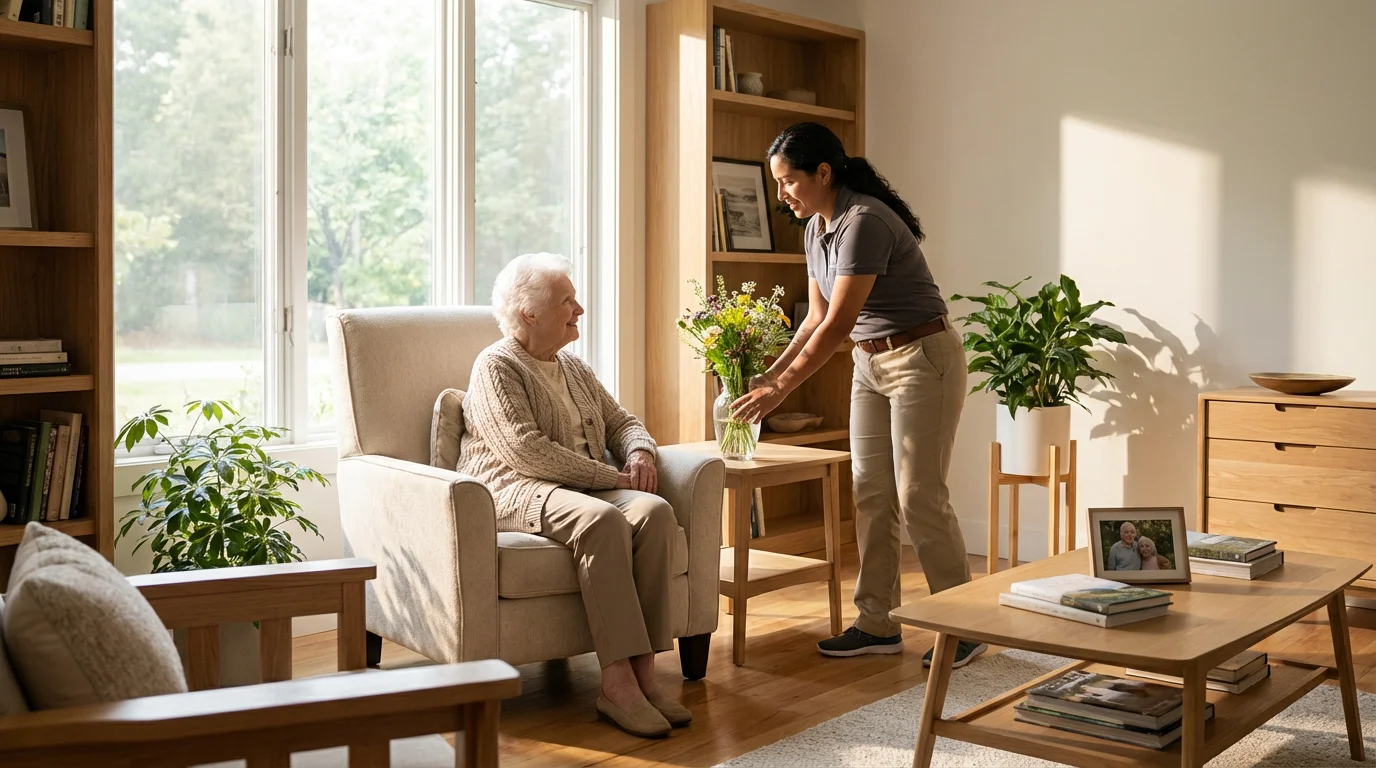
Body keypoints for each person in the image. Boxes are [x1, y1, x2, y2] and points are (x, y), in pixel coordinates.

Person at [729, 122, 986, 668]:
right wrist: (763, 379)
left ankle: (966, 625)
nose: (782, 195)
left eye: (789, 181)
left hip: (922, 360)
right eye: (776, 184)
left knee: (919, 493)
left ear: (824, 172)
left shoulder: (864, 220)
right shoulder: (815, 226)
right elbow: (812, 320)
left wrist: (779, 392)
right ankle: (877, 623)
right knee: (870, 491)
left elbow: (837, 324)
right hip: (868, 364)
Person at [457, 253, 691, 739]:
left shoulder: (572, 367)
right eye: (567, 300)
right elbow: (528, 452)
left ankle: (646, 675)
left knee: (655, 513)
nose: (579, 309)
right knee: (601, 521)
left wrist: (640, 455)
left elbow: (621, 421)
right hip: (516, 489)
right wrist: (613, 479)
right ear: (529, 313)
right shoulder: (496, 366)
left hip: (586, 485)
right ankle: (617, 684)